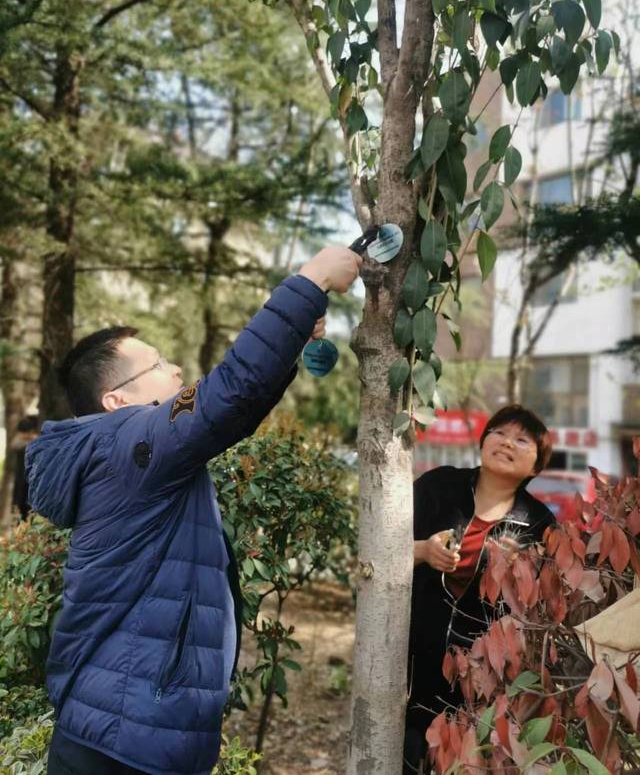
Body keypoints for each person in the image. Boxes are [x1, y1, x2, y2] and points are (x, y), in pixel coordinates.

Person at [26, 245, 361, 775]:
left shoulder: (128, 452)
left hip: (125, 729)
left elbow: (233, 410)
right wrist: (310, 278)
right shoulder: (125, 442)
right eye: (158, 364)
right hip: (125, 741)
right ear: (116, 400)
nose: (177, 367)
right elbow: (223, 396)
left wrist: (293, 334)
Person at [404, 405, 555, 775]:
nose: (507, 443)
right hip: (409, 659)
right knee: (404, 755)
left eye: (522, 440)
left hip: (479, 674)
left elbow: (535, 607)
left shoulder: (538, 523)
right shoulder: (438, 486)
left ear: (536, 467)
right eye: (499, 433)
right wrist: (423, 551)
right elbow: (381, 546)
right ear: (484, 441)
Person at [11, 414, 39, 520]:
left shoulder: (32, 445)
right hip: (22, 482)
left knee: (28, 512)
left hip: (29, 483)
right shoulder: (19, 445)